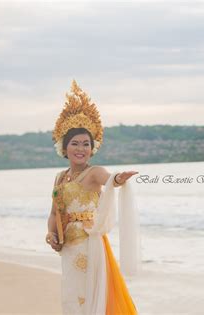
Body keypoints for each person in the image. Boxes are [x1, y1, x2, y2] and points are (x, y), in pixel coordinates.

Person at [46, 80, 140, 315]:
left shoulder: (94, 172)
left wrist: (120, 178)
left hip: (90, 246)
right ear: (64, 147)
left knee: (90, 297)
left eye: (86, 144)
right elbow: (54, 213)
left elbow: (110, 180)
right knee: (71, 297)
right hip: (68, 248)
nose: (81, 148)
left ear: (92, 148)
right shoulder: (60, 177)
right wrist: (51, 234)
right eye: (75, 143)